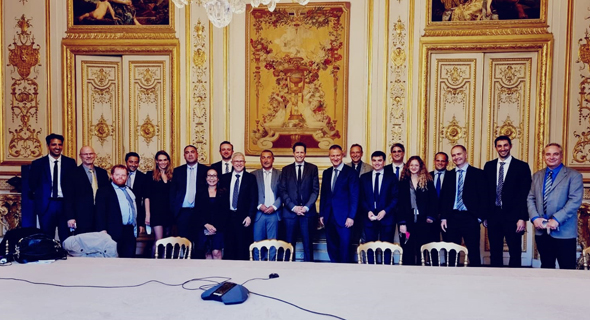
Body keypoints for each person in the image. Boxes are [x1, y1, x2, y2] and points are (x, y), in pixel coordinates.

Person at [527, 143, 583, 269]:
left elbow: (574, 201)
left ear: (561, 156)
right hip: (542, 231)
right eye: (548, 154)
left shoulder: (574, 176)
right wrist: (535, 218)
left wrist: (556, 219)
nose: (551, 157)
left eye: (555, 154)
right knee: (546, 267)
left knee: (567, 268)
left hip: (564, 232)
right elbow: (530, 198)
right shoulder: (537, 175)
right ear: (543, 157)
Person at [483, 136, 531, 267]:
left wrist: (522, 218)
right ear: (496, 148)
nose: (502, 148)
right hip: (494, 215)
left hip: (514, 216)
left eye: (505, 145)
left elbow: (525, 194)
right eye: (499, 146)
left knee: (515, 251)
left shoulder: (521, 166)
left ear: (510, 146)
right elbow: (485, 192)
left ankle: (515, 281)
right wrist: (485, 216)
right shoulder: (489, 166)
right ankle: (495, 281)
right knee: (495, 250)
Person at [440, 145, 487, 266]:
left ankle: (476, 279)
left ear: (465, 154)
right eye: (454, 155)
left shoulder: (478, 173)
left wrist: (479, 217)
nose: (456, 157)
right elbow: (444, 198)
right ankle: (451, 278)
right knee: (451, 252)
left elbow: (484, 197)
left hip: (470, 217)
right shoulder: (449, 175)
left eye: (459, 154)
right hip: (452, 218)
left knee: (473, 251)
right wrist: (444, 217)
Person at [28, 134, 77, 241]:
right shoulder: (38, 164)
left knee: (66, 238)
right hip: (46, 205)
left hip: (65, 205)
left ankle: (67, 258)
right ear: (48, 146)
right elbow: (32, 184)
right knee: (46, 238)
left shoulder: (70, 163)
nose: (57, 147)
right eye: (54, 144)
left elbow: (74, 185)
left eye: (60, 144)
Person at [278, 142, 319, 262]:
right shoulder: (286, 170)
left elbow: (315, 191)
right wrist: (293, 207)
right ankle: (289, 273)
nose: (299, 154)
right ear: (293, 153)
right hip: (290, 214)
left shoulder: (313, 169)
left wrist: (306, 207)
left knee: (308, 245)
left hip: (307, 214)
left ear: (305, 154)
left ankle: (309, 273)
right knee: (289, 246)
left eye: (302, 152)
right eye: (297, 152)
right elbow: (283, 191)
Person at [320, 145, 360, 263]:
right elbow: (324, 195)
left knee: (345, 248)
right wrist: (322, 214)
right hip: (328, 216)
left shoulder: (351, 173)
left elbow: (354, 196)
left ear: (342, 155)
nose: (335, 158)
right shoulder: (327, 172)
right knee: (331, 247)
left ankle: (345, 275)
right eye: (333, 155)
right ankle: (334, 271)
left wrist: (351, 216)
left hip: (344, 218)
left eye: (338, 155)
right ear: (329, 157)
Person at [398, 156, 438, 265]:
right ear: (408, 167)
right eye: (411, 165)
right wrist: (402, 222)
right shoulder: (403, 182)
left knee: (422, 248)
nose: (414, 167)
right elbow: (400, 204)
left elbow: (433, 200)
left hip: (423, 221)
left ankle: (421, 275)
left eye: (416, 165)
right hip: (407, 221)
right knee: (408, 249)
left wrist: (430, 216)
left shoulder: (428, 181)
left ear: (420, 166)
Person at [64, 146, 110, 238]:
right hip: (81, 217)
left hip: (100, 217)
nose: (88, 156)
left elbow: (107, 195)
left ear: (95, 155)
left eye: (91, 154)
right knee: (83, 245)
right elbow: (68, 198)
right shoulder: (72, 174)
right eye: (85, 154)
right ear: (80, 156)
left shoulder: (102, 173)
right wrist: (70, 217)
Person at [219, 152, 257, 260]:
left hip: (243, 218)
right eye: (236, 161)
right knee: (229, 247)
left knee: (242, 248)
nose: (239, 163)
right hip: (228, 218)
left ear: (244, 163)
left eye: (241, 161)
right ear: (232, 162)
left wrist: (249, 216)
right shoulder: (224, 178)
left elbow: (253, 199)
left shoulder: (250, 178)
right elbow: (221, 200)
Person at [96, 165, 138, 258]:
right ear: (112, 176)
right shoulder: (104, 191)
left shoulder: (130, 190)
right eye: (117, 174)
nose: (120, 177)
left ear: (127, 177)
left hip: (129, 231)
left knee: (129, 259)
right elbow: (100, 212)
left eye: (123, 175)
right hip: (113, 231)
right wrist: (102, 230)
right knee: (113, 260)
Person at [359, 151, 398, 250]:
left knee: (387, 248)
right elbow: (361, 198)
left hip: (387, 218)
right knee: (370, 248)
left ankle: (386, 266)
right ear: (371, 162)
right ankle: (371, 266)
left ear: (384, 162)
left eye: (379, 160)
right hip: (369, 218)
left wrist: (385, 211)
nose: (377, 163)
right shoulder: (364, 178)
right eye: (374, 160)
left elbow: (395, 198)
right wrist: (368, 211)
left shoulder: (392, 177)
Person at [169, 145, 208, 244]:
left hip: (200, 212)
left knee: (200, 243)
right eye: (187, 152)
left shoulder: (205, 170)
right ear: (184, 156)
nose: (190, 154)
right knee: (184, 243)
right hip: (183, 212)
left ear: (197, 154)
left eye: (192, 152)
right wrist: (175, 210)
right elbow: (173, 192)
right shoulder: (178, 171)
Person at [251, 150, 282, 260]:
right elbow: (251, 194)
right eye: (263, 157)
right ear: (260, 160)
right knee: (257, 243)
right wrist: (259, 205)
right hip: (259, 213)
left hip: (274, 213)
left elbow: (283, 193)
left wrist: (274, 207)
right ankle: (256, 267)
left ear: (273, 159)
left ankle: (272, 267)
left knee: (273, 244)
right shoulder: (253, 175)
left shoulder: (281, 174)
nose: (266, 160)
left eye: (268, 157)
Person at [144, 151, 173, 256]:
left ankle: (165, 265)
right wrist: (148, 214)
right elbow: (147, 196)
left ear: (168, 161)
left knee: (167, 239)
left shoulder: (172, 176)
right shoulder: (150, 175)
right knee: (159, 240)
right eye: (160, 160)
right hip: (156, 212)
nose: (163, 162)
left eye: (165, 160)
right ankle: (154, 265)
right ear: (156, 161)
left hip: (169, 212)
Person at [198, 168, 230, 260]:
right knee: (207, 253)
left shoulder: (224, 192)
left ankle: (218, 273)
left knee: (216, 252)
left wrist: (215, 227)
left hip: (219, 228)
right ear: (206, 178)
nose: (211, 178)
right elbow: (198, 211)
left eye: (214, 175)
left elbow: (225, 212)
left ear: (218, 178)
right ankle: (209, 274)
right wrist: (206, 225)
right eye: (209, 175)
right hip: (204, 227)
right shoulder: (200, 192)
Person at [125, 152, 147, 234]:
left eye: (136, 162)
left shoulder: (143, 178)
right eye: (131, 162)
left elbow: (143, 203)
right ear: (126, 162)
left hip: (137, 216)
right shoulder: (118, 176)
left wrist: (141, 223)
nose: (133, 164)